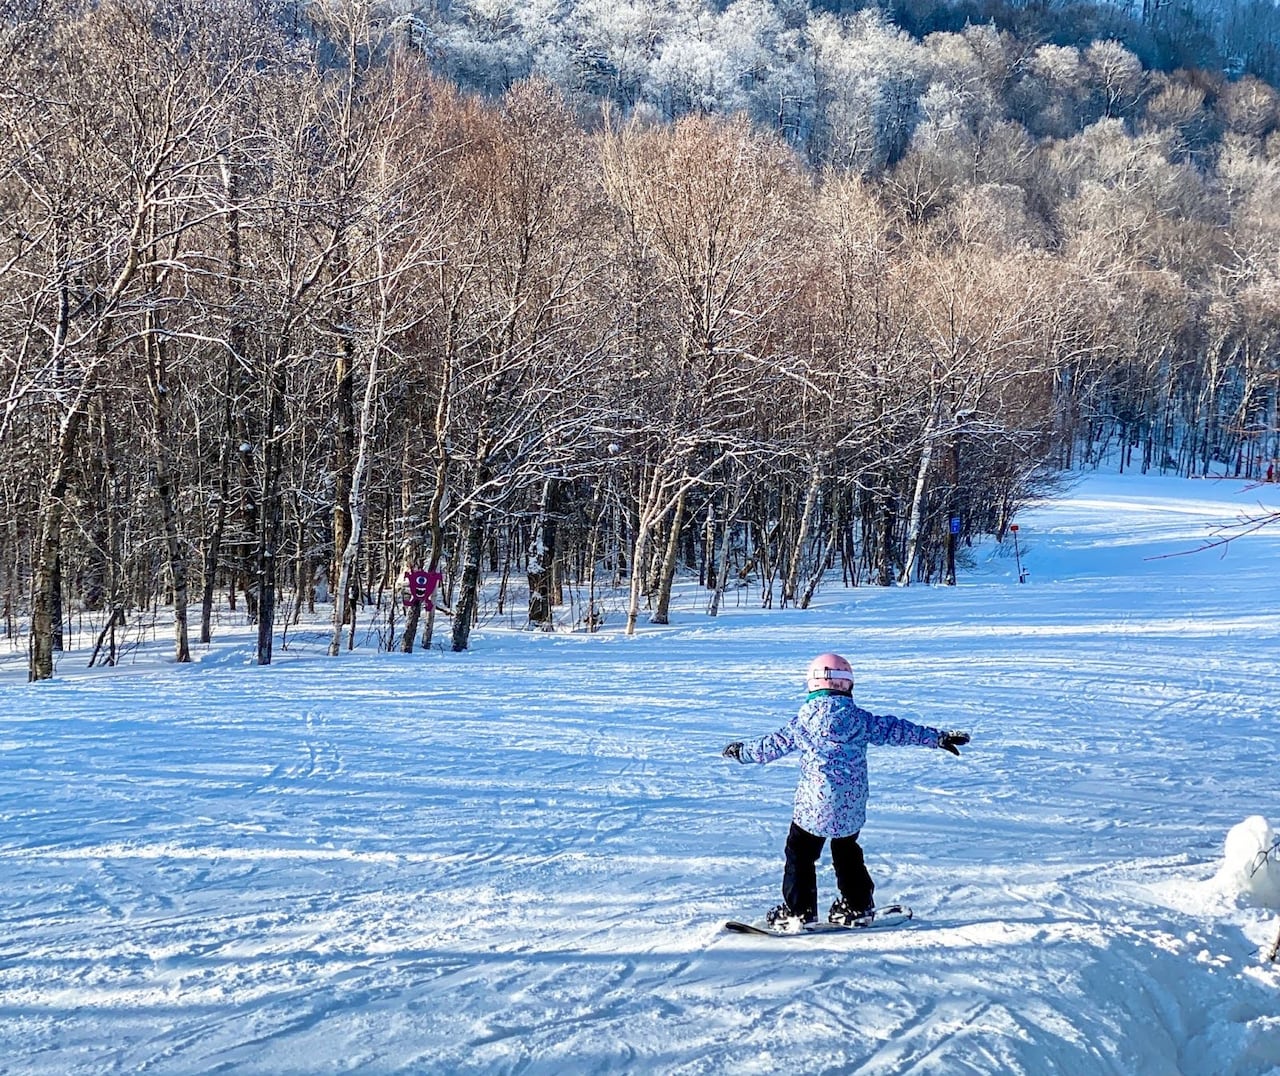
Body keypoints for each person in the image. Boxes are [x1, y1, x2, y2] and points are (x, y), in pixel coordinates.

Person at [721, 652, 970, 930]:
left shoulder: (802, 723)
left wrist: (742, 752)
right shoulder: (860, 721)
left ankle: (799, 911)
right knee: (847, 851)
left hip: (813, 806)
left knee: (800, 854)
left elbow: (771, 745)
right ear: (848, 685)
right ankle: (858, 905)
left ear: (812, 685)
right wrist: (936, 737)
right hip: (850, 805)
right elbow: (895, 729)